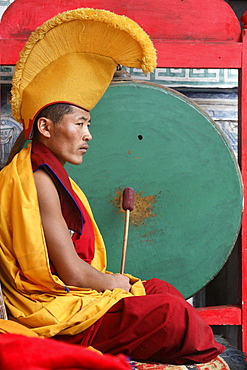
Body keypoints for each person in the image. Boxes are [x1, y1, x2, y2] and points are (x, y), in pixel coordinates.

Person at [0, 7, 224, 365]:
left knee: (161, 291)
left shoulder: (53, 172)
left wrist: (118, 283)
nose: (88, 135)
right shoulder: (37, 180)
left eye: (89, 125)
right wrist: (113, 284)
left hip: (80, 295)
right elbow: (71, 272)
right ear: (45, 128)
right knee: (171, 315)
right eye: (80, 124)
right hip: (57, 312)